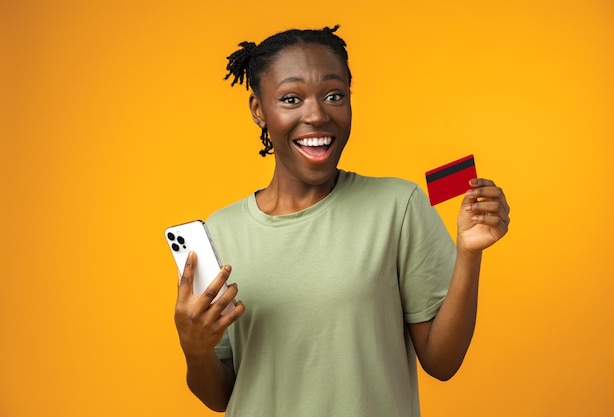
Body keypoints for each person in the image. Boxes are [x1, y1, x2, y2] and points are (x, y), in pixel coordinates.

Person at [173, 25, 510, 417]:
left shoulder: (397, 208)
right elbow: (219, 396)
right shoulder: (219, 233)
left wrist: (469, 254)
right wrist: (194, 349)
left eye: (334, 95)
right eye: (291, 99)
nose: (316, 115)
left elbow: (442, 363)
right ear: (258, 110)